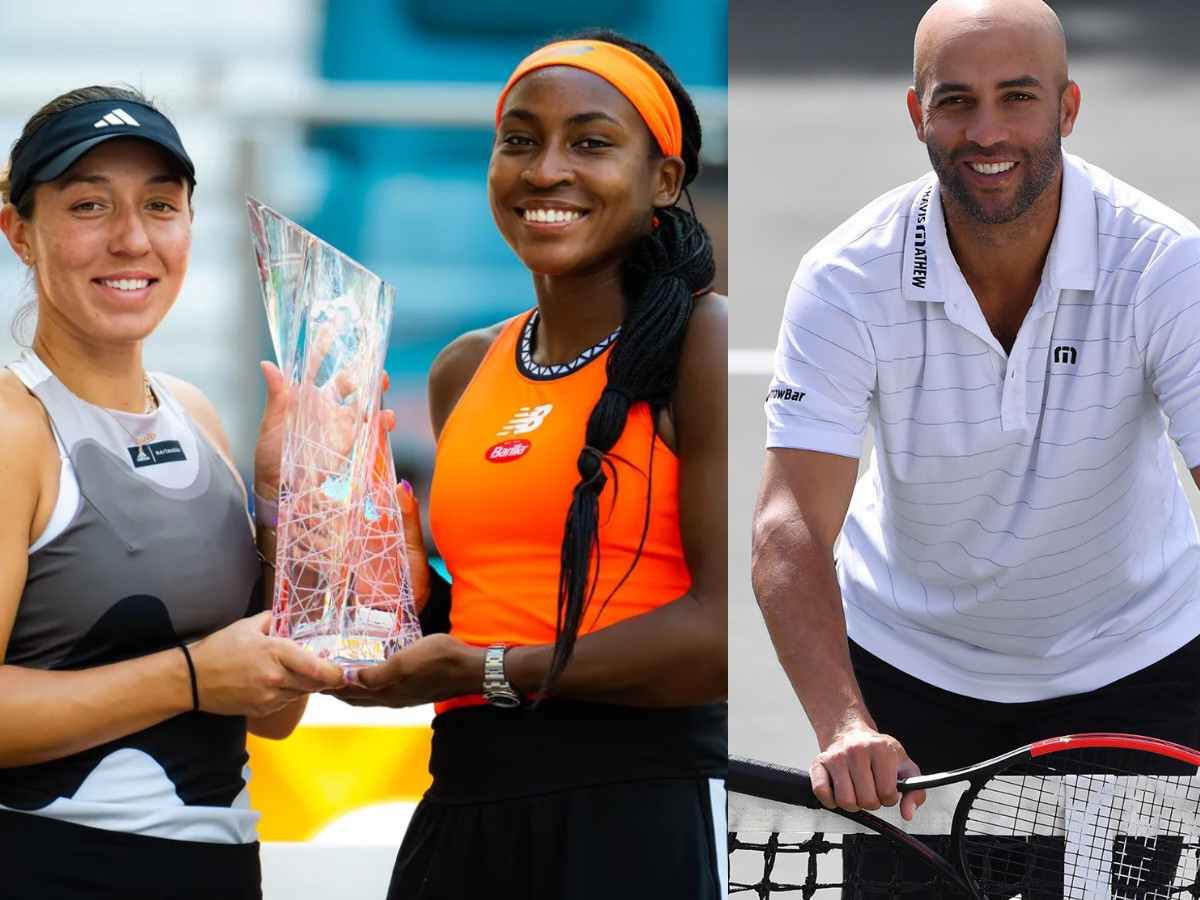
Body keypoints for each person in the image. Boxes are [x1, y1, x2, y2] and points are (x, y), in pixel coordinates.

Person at [752, 0, 1200, 882]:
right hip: (909, 673)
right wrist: (844, 724)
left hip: (1138, 663)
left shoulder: (1165, 263)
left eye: (1017, 97)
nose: (986, 130)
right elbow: (787, 525)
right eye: (956, 100)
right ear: (917, 114)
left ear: (1067, 110)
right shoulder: (846, 276)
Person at [334, 30, 728, 899]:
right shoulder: (466, 369)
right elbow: (484, 616)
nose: (545, 170)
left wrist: (484, 671)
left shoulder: (705, 344)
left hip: (635, 820)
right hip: (464, 808)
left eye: (591, 143)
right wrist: (403, 603)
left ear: (664, 180)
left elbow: (722, 640)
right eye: (519, 139)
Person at [0, 85, 344, 899]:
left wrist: (288, 514)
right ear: (19, 231)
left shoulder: (194, 414)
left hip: (219, 868)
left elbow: (271, 713)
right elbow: (212, 677)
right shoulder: (15, 428)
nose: (131, 240)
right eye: (89, 206)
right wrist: (190, 677)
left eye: (161, 206)